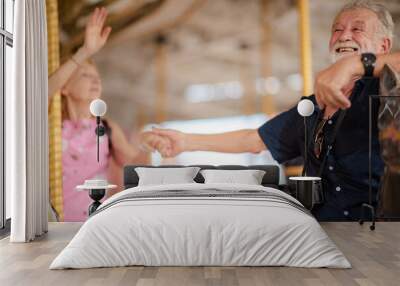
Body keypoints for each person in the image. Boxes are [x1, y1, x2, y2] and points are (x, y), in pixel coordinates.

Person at [146, 0, 400, 221]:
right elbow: (255, 139)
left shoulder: (387, 91)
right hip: (324, 228)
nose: (344, 36)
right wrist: (185, 141)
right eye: (337, 30)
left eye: (357, 29)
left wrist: (358, 64)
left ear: (383, 46)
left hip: (376, 232)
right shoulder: (312, 107)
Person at [48, 7, 166, 221]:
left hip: (93, 223)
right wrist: (85, 50)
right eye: (85, 75)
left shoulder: (107, 128)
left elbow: (136, 168)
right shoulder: (51, 123)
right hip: (52, 223)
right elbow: (44, 92)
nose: (95, 80)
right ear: (64, 87)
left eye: (97, 77)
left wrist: (147, 144)